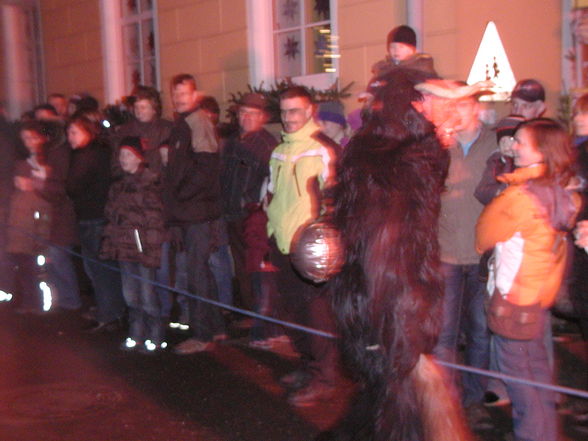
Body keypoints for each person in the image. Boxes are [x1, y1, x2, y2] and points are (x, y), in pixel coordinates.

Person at [476, 118, 580, 441]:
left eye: (521, 141)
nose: (514, 146)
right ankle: (544, 433)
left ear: (542, 151)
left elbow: (483, 235)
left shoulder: (522, 197)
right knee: (537, 376)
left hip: (513, 299)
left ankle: (532, 435)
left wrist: (506, 191)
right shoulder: (559, 190)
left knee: (521, 383)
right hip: (536, 296)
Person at [266, 86, 340, 407]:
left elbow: (336, 200)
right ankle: (308, 366)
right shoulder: (279, 150)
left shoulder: (324, 149)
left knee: (317, 314)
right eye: (284, 112)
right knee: (292, 310)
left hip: (310, 249)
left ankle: (325, 377)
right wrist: (271, 228)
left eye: (295, 111)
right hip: (281, 241)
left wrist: (323, 243)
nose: (289, 118)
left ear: (310, 111)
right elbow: (272, 192)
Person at [432, 83, 496, 425]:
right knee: (443, 331)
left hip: (482, 255)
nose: (454, 112)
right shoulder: (441, 145)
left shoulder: (496, 145)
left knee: (479, 331)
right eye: (449, 107)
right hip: (446, 254)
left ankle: (473, 399)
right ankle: (447, 399)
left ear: (475, 108)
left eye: (461, 106)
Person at [162, 74, 225, 354]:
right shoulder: (182, 123)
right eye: (176, 95)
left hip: (196, 213)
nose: (179, 99)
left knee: (196, 273)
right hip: (188, 211)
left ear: (195, 94)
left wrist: (183, 195)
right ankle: (215, 327)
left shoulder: (197, 121)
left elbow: (206, 167)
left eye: (184, 94)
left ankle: (202, 334)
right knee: (200, 273)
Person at [101, 136, 168, 353]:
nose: (123, 159)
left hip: (142, 249)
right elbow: (112, 216)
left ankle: (156, 335)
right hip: (124, 248)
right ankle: (136, 333)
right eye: (121, 155)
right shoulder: (118, 185)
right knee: (130, 295)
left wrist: (150, 250)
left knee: (147, 294)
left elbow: (154, 220)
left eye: (128, 155)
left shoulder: (149, 182)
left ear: (139, 157)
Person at [66, 113, 126, 331]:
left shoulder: (86, 156)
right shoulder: (101, 152)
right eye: (68, 133)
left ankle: (108, 313)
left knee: (99, 269)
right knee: (105, 268)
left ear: (87, 132)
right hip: (99, 216)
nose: (70, 137)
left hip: (92, 217)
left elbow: (73, 187)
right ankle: (112, 309)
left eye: (74, 132)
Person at [221, 93, 278, 316]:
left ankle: (260, 316)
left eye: (252, 114)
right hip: (230, 213)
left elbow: (271, 182)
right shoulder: (233, 142)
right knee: (241, 266)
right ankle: (247, 312)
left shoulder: (266, 145)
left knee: (254, 267)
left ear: (262, 117)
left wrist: (255, 209)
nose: (246, 118)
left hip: (252, 217)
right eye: (243, 113)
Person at [371, 25, 436, 77]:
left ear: (411, 50)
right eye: (392, 47)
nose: (396, 50)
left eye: (401, 47)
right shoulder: (383, 70)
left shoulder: (422, 70)